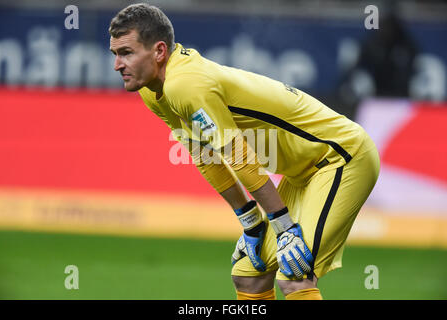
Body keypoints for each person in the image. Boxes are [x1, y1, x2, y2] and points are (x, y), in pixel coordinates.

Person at [109, 3, 380, 300]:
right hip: (303, 172)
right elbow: (204, 154)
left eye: (126, 53)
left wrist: (283, 226)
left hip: (340, 157)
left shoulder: (184, 85)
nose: (117, 65)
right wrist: (251, 221)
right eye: (115, 55)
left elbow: (239, 157)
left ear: (159, 51)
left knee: (295, 273)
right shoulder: (153, 91)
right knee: (248, 277)